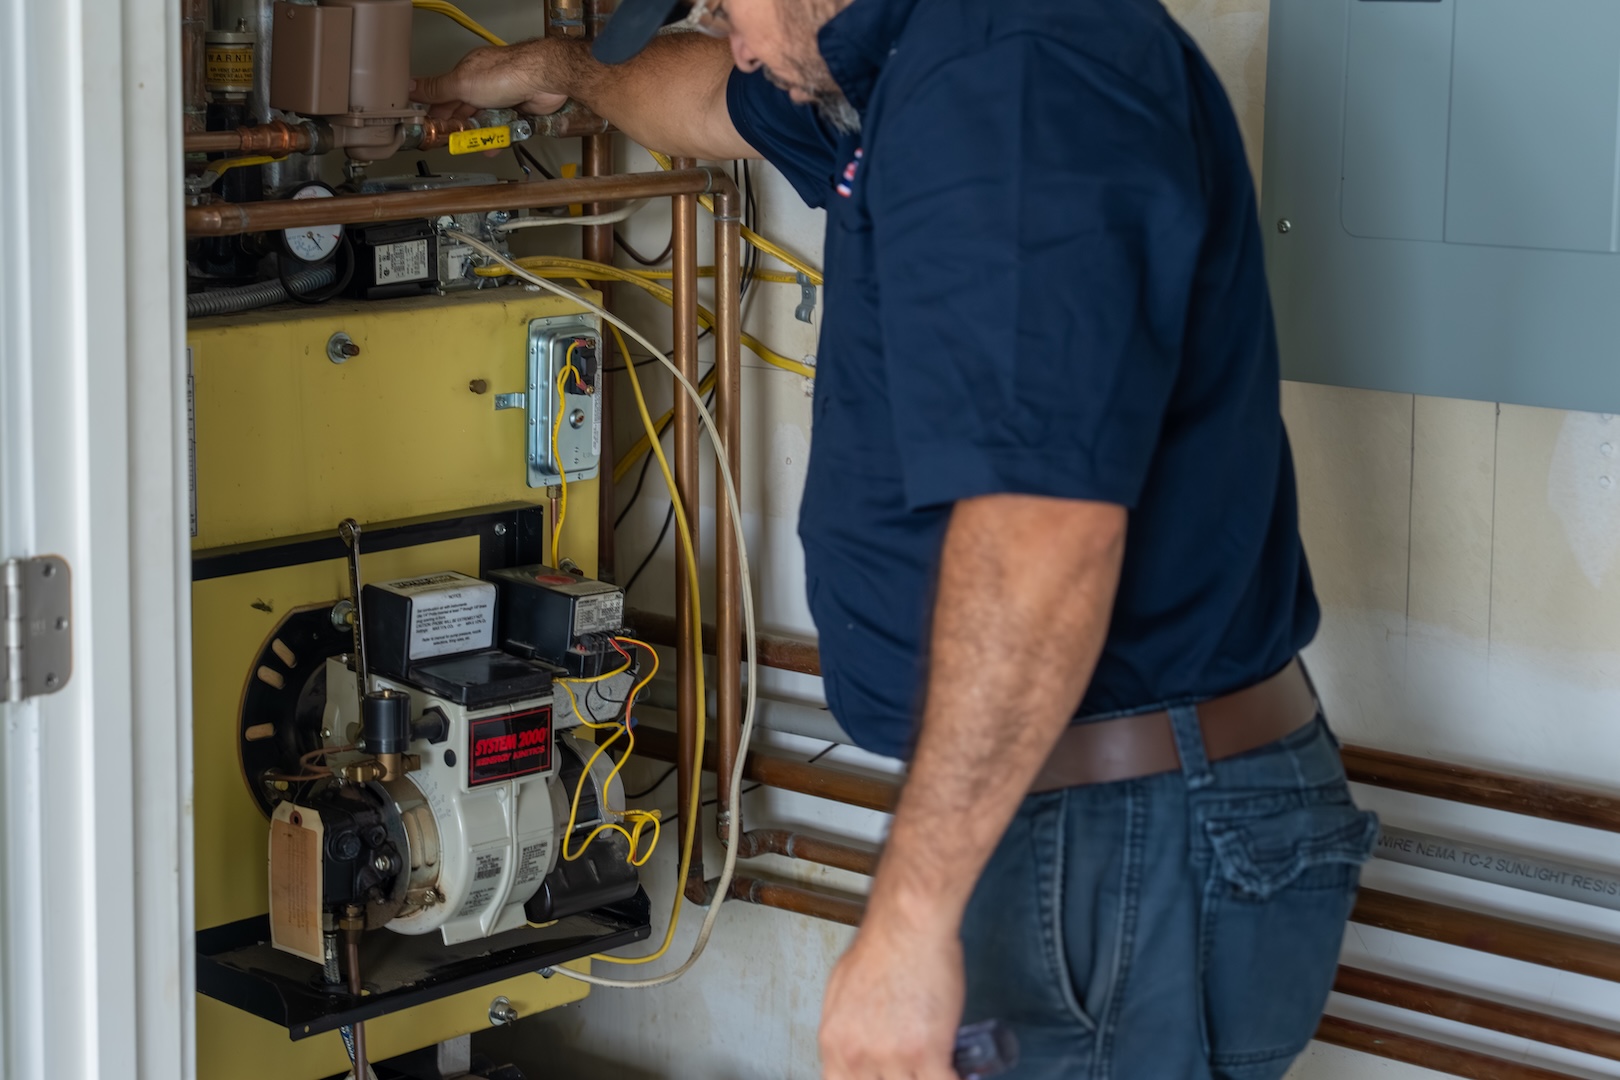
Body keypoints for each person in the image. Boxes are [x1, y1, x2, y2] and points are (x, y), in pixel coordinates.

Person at [414, 2, 1378, 1077]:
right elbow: (696, 98)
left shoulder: (1009, 80)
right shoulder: (906, 75)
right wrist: (558, 72)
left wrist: (910, 925)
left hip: (1121, 829)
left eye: (726, 4)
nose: (728, 35)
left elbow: (1040, 538)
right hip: (1095, 814)